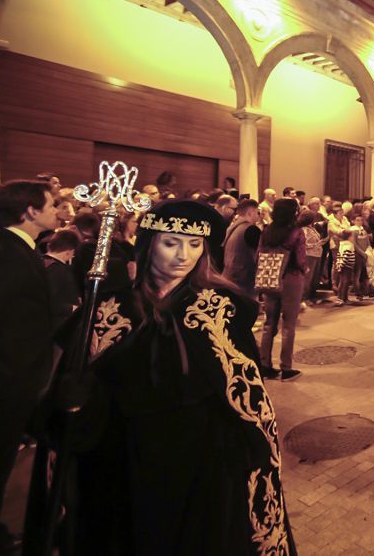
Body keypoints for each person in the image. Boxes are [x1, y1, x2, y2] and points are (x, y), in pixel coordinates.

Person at [44, 199, 295, 553]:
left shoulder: (222, 308)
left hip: (202, 467)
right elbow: (72, 404)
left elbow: (248, 394)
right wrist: (75, 399)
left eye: (194, 245)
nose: (183, 256)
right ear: (148, 246)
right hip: (127, 466)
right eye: (171, 243)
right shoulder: (111, 310)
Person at [0, 180, 59, 555]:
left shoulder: (8, 250)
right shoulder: (6, 258)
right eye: (51, 204)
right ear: (30, 212)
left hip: (3, 382)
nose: (57, 210)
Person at [258, 198, 308, 381]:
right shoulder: (296, 232)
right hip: (291, 279)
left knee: (269, 323)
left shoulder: (266, 231)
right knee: (288, 325)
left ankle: (265, 365)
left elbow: (259, 254)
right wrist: (305, 269)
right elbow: (301, 260)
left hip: (270, 278)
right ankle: (286, 368)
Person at [223, 198, 262, 299]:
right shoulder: (251, 229)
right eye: (258, 212)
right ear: (250, 212)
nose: (259, 216)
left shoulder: (232, 228)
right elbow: (261, 252)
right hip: (244, 280)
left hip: (229, 275)